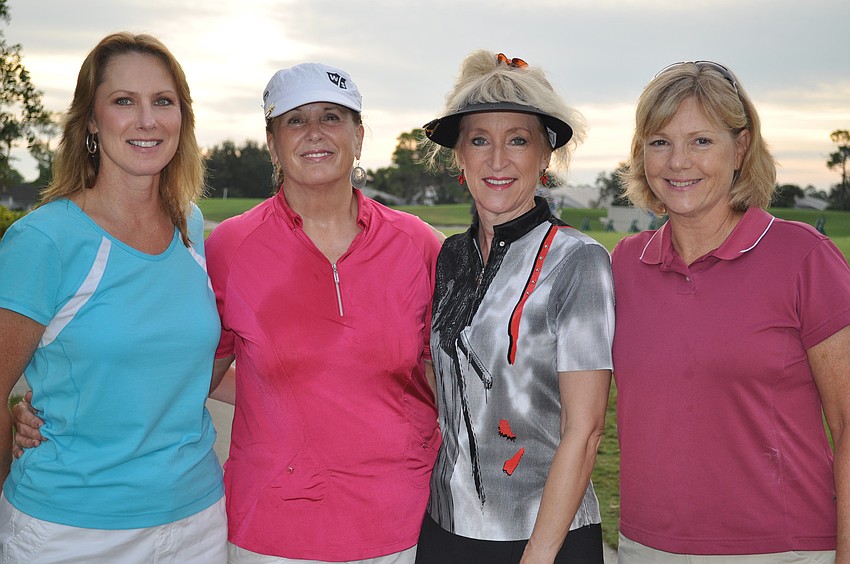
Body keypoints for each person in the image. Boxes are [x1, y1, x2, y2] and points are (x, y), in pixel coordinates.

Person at [0, 32, 226, 562]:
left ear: (182, 119)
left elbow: (183, 366)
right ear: (92, 122)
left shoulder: (190, 228)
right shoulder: (44, 241)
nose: (147, 120)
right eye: (124, 101)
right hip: (68, 531)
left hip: (195, 522)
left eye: (162, 101)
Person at [612, 61, 850, 563]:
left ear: (740, 149)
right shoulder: (622, 265)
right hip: (646, 546)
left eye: (701, 141)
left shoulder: (803, 256)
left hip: (782, 548)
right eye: (659, 142)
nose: (678, 162)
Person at [204, 63, 443, 563]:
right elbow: (190, 376)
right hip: (270, 531)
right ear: (272, 143)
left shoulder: (418, 245)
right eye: (294, 120)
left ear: (358, 136)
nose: (314, 132)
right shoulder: (230, 248)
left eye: (331, 117)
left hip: (403, 525)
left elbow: (451, 379)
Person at [416, 50, 615, 564]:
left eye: (518, 141)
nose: (497, 159)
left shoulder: (579, 260)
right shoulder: (451, 257)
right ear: (459, 155)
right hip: (446, 530)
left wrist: (539, 555)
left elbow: (586, 429)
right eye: (479, 139)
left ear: (545, 155)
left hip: (544, 540)